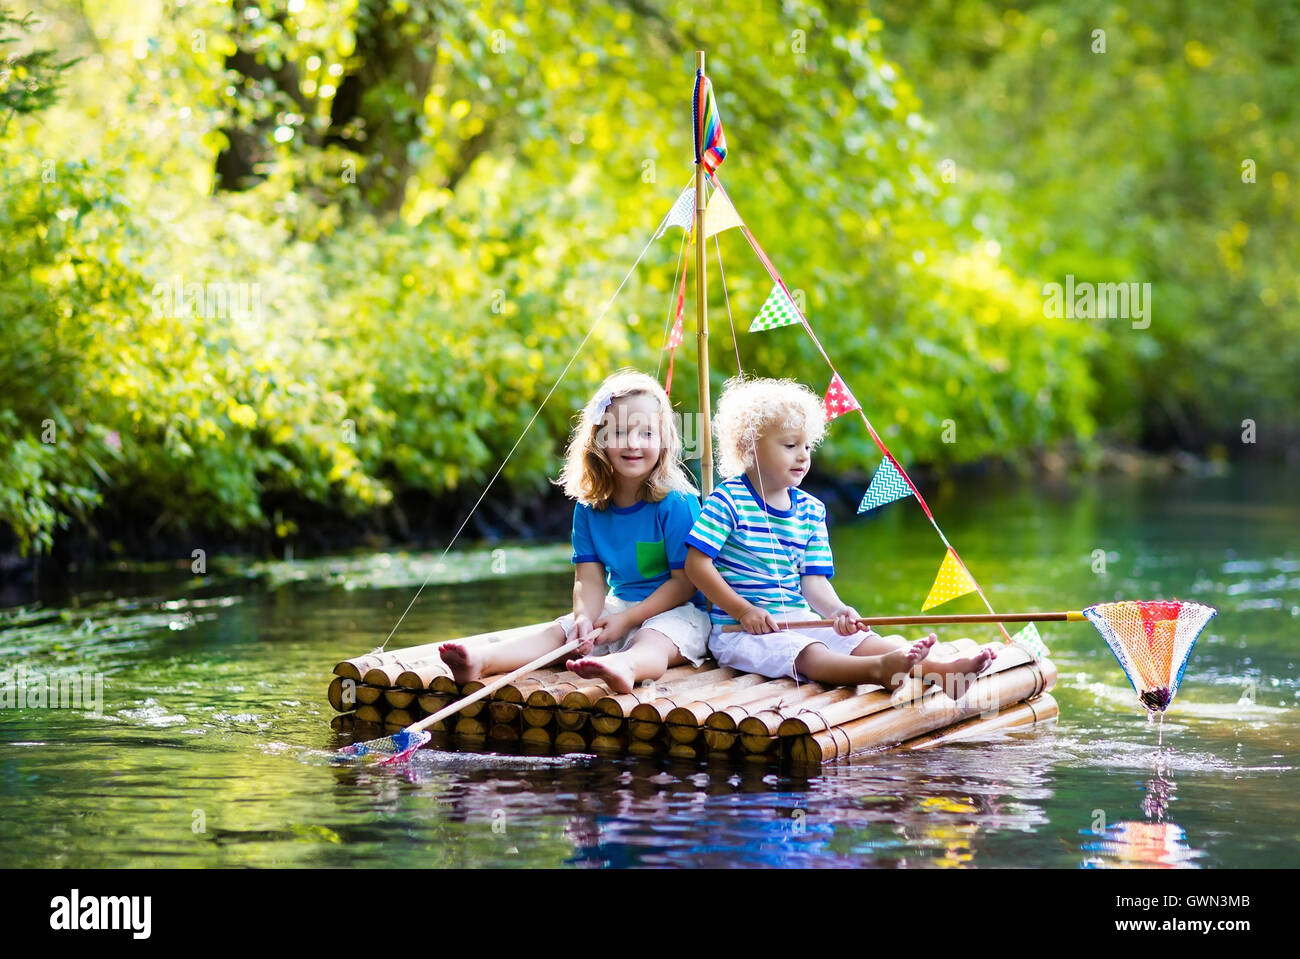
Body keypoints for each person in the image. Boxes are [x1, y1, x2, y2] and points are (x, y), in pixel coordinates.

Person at [684, 376, 995, 695]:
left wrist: (837, 611)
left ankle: (942, 672)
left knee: (859, 639)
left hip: (798, 618)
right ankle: (879, 670)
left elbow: (813, 582)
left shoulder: (810, 510)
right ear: (749, 446)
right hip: (740, 632)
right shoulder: (729, 500)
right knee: (809, 652)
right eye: (790, 445)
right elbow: (697, 565)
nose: (803, 456)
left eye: (807, 446)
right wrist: (742, 610)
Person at [440, 370, 711, 695]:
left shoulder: (676, 503)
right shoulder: (590, 507)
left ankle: (627, 665)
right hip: (621, 606)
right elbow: (590, 578)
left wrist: (629, 620)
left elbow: (685, 584)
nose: (634, 444)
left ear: (664, 440)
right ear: (599, 439)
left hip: (681, 612)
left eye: (647, 433)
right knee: (563, 632)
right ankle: (482, 661)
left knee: (653, 638)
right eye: (620, 432)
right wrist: (585, 618)